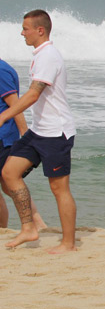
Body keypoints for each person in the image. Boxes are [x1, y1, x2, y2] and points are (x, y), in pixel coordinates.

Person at [0, 10, 77, 253]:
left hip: (56, 132)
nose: (22, 33)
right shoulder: (40, 55)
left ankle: (68, 243)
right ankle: (29, 227)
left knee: (59, 188)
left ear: (40, 30)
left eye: (25, 29)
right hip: (39, 131)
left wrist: (4, 116)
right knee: (10, 173)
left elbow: (34, 94)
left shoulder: (48, 56)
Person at [0, 58, 46, 229]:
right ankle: (38, 223)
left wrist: (24, 136)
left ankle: (34, 224)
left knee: (9, 183)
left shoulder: (1, 70)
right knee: (7, 185)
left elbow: (15, 105)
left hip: (3, 137)